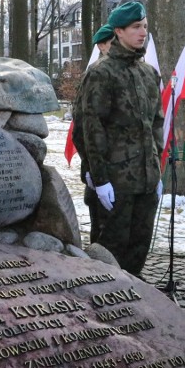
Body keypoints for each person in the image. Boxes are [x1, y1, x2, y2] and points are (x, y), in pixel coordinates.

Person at [76, 2, 163, 277]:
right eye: (136, 27)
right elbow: (91, 128)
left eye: (145, 27)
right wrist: (99, 178)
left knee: (139, 249)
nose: (142, 33)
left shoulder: (148, 74)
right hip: (116, 181)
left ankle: (134, 308)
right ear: (119, 32)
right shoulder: (102, 73)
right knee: (110, 252)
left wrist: (156, 169)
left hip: (146, 180)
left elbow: (156, 124)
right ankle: (104, 309)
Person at [72, 23, 115, 246]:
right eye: (112, 42)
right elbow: (82, 127)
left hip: (122, 168)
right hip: (100, 167)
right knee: (103, 231)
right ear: (102, 45)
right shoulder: (96, 74)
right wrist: (89, 167)